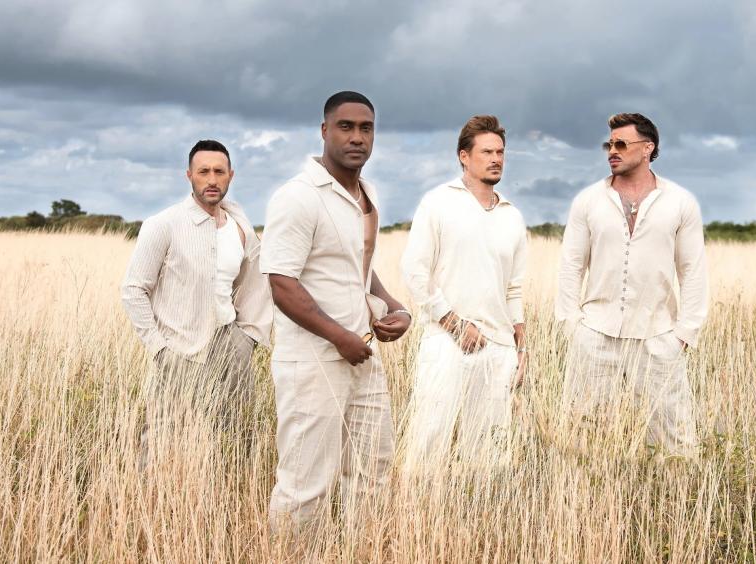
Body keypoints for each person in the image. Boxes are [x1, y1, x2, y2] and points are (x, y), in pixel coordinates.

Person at [261, 91, 411, 528]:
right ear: (325, 131)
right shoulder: (298, 196)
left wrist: (397, 309)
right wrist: (339, 336)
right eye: (346, 127)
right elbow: (281, 283)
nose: (357, 137)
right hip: (312, 360)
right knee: (305, 483)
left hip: (362, 354)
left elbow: (358, 270)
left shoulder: (367, 192)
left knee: (370, 475)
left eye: (366, 128)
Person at [555, 113, 708, 459]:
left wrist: (684, 333)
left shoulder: (680, 202)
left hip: (658, 336)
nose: (612, 150)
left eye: (621, 144)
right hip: (595, 334)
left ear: (648, 148)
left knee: (674, 439)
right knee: (583, 435)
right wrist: (571, 326)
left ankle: (675, 502)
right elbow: (570, 266)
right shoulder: (588, 201)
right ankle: (587, 503)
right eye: (609, 144)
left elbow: (693, 271)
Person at [121, 139, 273, 468]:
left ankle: (216, 505)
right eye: (203, 171)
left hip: (229, 347)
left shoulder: (240, 226)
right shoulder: (164, 224)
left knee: (230, 438)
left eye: (219, 171)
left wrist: (247, 338)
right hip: (179, 350)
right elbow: (134, 290)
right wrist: (160, 349)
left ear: (231, 175)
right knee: (162, 440)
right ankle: (155, 506)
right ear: (189, 175)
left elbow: (255, 283)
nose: (212, 179)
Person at [399, 115, 527, 474]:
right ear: (463, 156)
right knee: (429, 439)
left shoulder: (512, 215)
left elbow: (514, 287)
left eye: (500, 152)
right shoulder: (438, 202)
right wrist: (454, 323)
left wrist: (522, 347)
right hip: (446, 340)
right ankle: (417, 521)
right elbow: (414, 270)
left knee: (489, 451)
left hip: (499, 347)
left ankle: (478, 523)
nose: (496, 158)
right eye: (486, 151)